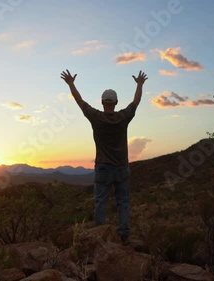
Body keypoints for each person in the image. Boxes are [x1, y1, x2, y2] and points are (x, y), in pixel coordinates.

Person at [60, 69, 148, 245]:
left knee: (100, 202)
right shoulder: (123, 117)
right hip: (122, 167)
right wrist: (139, 84)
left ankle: (100, 236)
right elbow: (136, 102)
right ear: (116, 102)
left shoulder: (96, 117)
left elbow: (80, 102)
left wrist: (71, 84)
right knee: (123, 202)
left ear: (102, 102)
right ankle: (123, 235)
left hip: (103, 167)